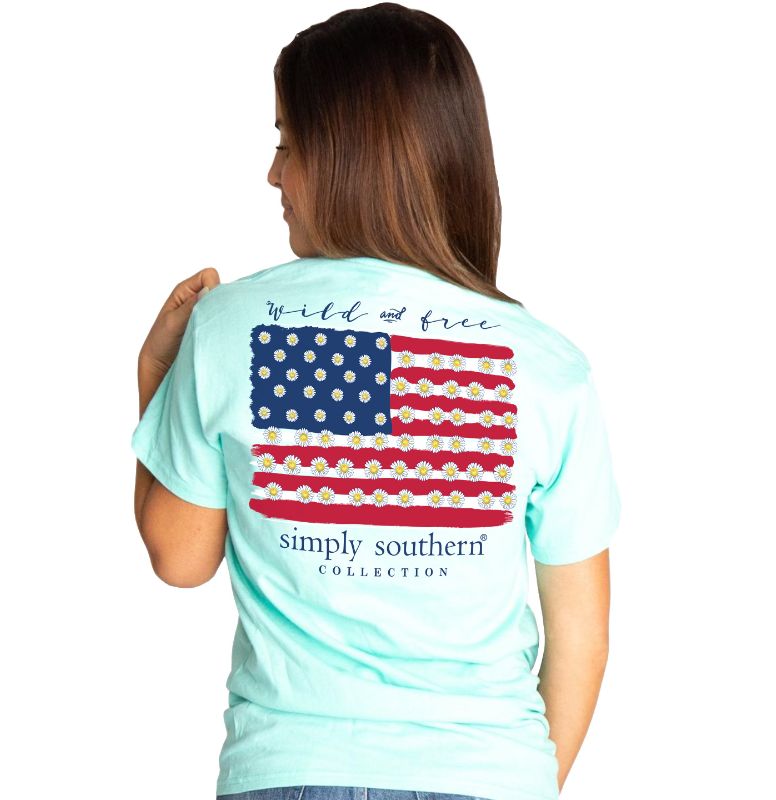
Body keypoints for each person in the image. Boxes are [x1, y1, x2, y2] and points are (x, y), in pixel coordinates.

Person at [131, 4, 622, 800]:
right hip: (490, 774)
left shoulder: (232, 327)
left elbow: (180, 559)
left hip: (289, 772)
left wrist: (155, 370)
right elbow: (581, 636)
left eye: (287, 143)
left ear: (346, 154)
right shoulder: (545, 363)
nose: (273, 176)